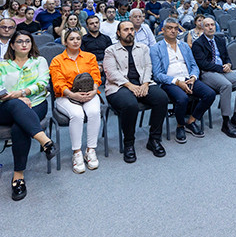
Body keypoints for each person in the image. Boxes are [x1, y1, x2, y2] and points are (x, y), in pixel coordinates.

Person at [0, 31, 56, 201]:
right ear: (12, 45)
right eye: (19, 41)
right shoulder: (3, 65)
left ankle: (18, 176)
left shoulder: (39, 61)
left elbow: (42, 84)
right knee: (16, 104)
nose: (24, 44)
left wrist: (23, 92)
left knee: (20, 128)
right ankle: (45, 141)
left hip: (36, 103)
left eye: (27, 41)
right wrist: (15, 97)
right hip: (4, 108)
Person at [104, 21, 169, 163]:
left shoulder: (143, 48)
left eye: (132, 29)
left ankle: (154, 139)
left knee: (162, 98)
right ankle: (129, 143)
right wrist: (130, 86)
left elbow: (148, 66)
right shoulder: (111, 50)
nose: (129, 32)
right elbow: (111, 73)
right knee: (130, 105)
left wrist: (145, 84)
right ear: (118, 33)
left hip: (142, 83)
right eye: (125, 30)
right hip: (119, 87)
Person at [150, 18, 216, 143]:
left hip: (188, 78)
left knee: (210, 94)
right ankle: (180, 125)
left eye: (176, 28)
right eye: (169, 28)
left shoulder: (184, 46)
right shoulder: (156, 48)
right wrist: (177, 82)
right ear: (163, 30)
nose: (173, 31)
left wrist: (193, 77)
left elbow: (194, 65)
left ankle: (191, 121)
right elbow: (157, 74)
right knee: (182, 98)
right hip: (169, 82)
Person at [49, 29, 102, 174]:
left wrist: (93, 90)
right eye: (71, 39)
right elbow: (58, 83)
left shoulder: (89, 57)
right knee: (77, 115)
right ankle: (77, 153)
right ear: (65, 42)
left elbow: (96, 76)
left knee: (94, 111)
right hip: (65, 96)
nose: (75, 41)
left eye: (78, 38)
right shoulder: (57, 60)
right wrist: (73, 95)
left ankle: (90, 150)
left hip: (89, 93)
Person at [192, 17, 236, 138]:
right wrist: (222, 68)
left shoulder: (220, 40)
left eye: (212, 25)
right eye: (207, 25)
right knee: (226, 85)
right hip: (207, 73)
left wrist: (228, 64)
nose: (210, 27)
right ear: (202, 28)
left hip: (223, 70)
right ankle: (226, 121)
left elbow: (226, 57)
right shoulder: (198, 43)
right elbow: (203, 64)